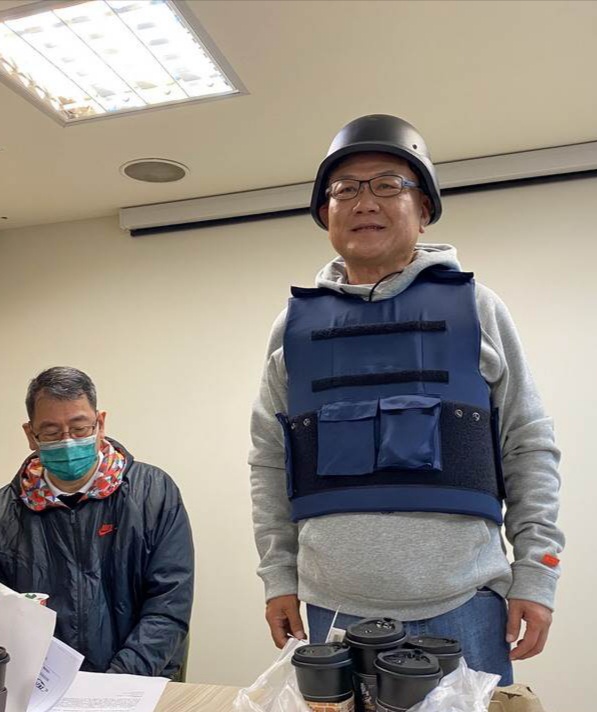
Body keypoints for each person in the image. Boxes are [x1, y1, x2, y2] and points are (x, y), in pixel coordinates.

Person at [249, 114, 564, 684]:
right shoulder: (291, 328)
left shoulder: (478, 309)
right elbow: (270, 460)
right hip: (332, 609)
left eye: (388, 184)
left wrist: (537, 573)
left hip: (467, 603)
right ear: (325, 213)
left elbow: (528, 443)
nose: (365, 201)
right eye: (345, 189)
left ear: (423, 209)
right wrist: (278, 577)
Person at [0, 366, 194, 678]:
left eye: (79, 429)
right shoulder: (6, 511)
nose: (67, 442)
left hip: (138, 682)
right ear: (30, 435)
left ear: (100, 423)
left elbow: (169, 604)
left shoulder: (153, 492)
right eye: (51, 432)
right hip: (39, 688)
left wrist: (116, 683)